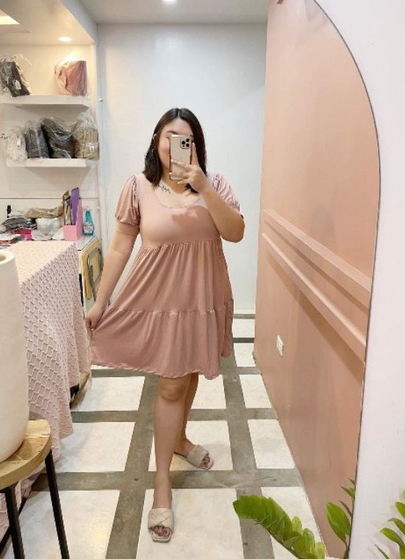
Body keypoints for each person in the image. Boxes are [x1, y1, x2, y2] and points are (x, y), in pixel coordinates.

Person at [85, 107, 244, 543]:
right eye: (169, 137)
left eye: (186, 139)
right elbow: (121, 247)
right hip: (162, 305)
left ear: (197, 146)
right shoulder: (139, 187)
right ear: (156, 141)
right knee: (172, 386)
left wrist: (203, 187)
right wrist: (101, 301)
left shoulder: (216, 185)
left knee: (188, 376)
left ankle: (180, 440)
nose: (176, 146)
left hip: (203, 303)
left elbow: (235, 232)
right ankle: (161, 485)